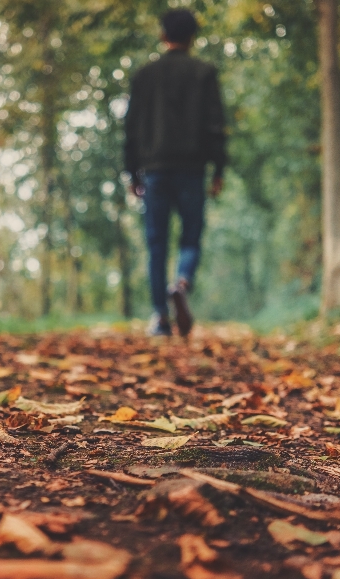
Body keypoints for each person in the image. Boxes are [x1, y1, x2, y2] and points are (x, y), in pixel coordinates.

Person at [124, 9, 226, 337]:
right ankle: (181, 281)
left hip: (154, 170)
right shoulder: (204, 73)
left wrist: (132, 174)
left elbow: (132, 128)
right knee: (190, 236)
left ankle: (159, 318)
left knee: (156, 243)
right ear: (193, 36)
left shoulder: (144, 75)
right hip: (192, 169)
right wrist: (219, 169)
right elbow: (216, 124)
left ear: (162, 34)